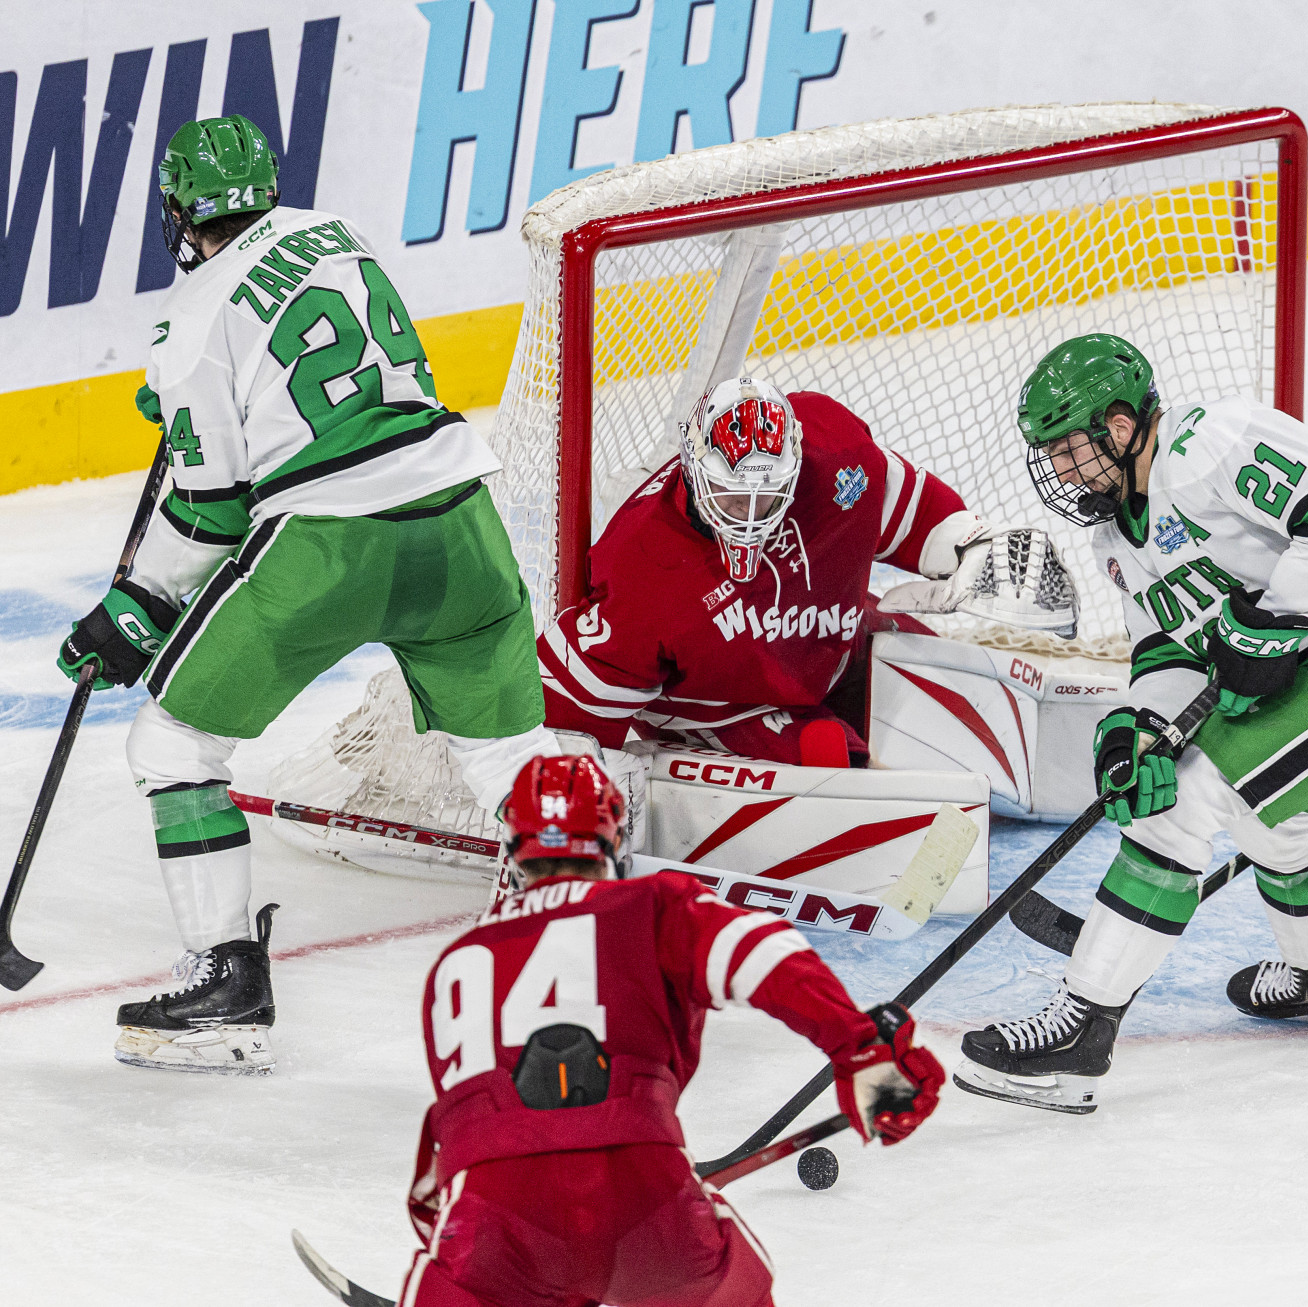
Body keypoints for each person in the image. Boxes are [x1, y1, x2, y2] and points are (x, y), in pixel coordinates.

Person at [55, 116, 559, 1074]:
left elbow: (211, 509)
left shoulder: (193, 315)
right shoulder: (335, 232)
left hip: (333, 545)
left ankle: (226, 984)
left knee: (172, 743)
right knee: (512, 762)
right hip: (461, 518)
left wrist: (135, 606)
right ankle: (587, 965)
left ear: (175, 210)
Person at [953, 334, 1308, 1114]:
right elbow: (1169, 644)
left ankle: (1082, 1029)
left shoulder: (1210, 443)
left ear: (1123, 424)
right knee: (1274, 818)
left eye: (1072, 449)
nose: (1063, 473)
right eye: (1052, 457)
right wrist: (1139, 723)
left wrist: (1275, 619)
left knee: (1188, 800)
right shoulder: (1116, 538)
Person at [399, 754, 942, 1307]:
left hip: (495, 1223)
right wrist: (862, 1048)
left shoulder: (452, 964)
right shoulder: (651, 905)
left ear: (515, 850)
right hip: (643, 1196)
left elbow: (470, 1139)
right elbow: (764, 955)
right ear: (612, 841)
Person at [536, 376, 1076, 767]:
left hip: (831, 648)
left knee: (955, 678)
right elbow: (564, 721)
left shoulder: (837, 457)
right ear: (692, 468)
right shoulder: (641, 567)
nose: (748, 516)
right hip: (726, 707)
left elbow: (910, 510)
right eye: (731, 495)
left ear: (796, 466)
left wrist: (966, 548)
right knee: (826, 756)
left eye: (767, 496)